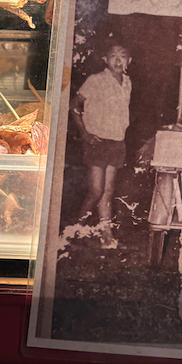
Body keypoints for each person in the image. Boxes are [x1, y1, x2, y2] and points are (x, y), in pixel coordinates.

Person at [70, 41, 132, 247]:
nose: (117, 59)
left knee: (108, 191)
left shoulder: (127, 82)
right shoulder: (95, 80)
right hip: (97, 140)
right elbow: (74, 106)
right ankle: (74, 229)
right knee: (96, 190)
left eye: (122, 55)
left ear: (128, 61)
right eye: (113, 55)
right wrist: (85, 134)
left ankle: (106, 234)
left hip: (117, 141)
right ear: (105, 59)